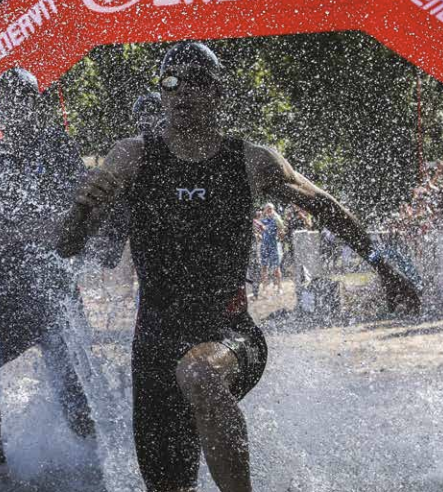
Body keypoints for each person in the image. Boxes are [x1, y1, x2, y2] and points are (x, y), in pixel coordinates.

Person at [57, 41, 420, 492]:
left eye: (196, 82)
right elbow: (68, 246)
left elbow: (325, 207)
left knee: (201, 373)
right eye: (171, 82)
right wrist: (78, 212)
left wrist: (386, 268)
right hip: (153, 346)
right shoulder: (132, 156)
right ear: (161, 92)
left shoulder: (250, 160)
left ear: (218, 93)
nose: (182, 92)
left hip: (229, 335)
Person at [0, 68, 96, 475]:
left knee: (76, 396)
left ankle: (101, 466)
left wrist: (34, 227)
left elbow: (77, 211)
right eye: (7, 98)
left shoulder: (56, 146)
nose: (14, 106)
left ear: (35, 103)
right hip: (8, 292)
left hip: (52, 292)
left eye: (22, 97)